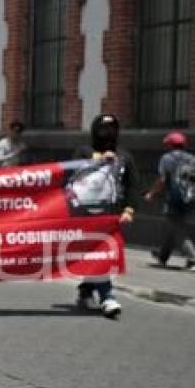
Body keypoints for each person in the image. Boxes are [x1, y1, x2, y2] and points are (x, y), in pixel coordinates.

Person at [72, 114, 137, 319]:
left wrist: (129, 210)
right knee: (99, 253)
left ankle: (86, 290)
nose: (107, 134)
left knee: (101, 253)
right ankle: (107, 295)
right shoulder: (84, 151)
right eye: (103, 130)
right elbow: (71, 174)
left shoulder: (125, 156)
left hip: (113, 215)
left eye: (112, 130)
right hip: (87, 214)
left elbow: (132, 185)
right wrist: (97, 160)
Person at [144, 131, 195, 273]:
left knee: (177, 229)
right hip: (192, 199)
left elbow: (163, 179)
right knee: (175, 225)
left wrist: (151, 193)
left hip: (175, 198)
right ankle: (162, 256)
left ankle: (193, 260)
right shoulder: (193, 159)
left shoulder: (167, 158)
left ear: (170, 145)